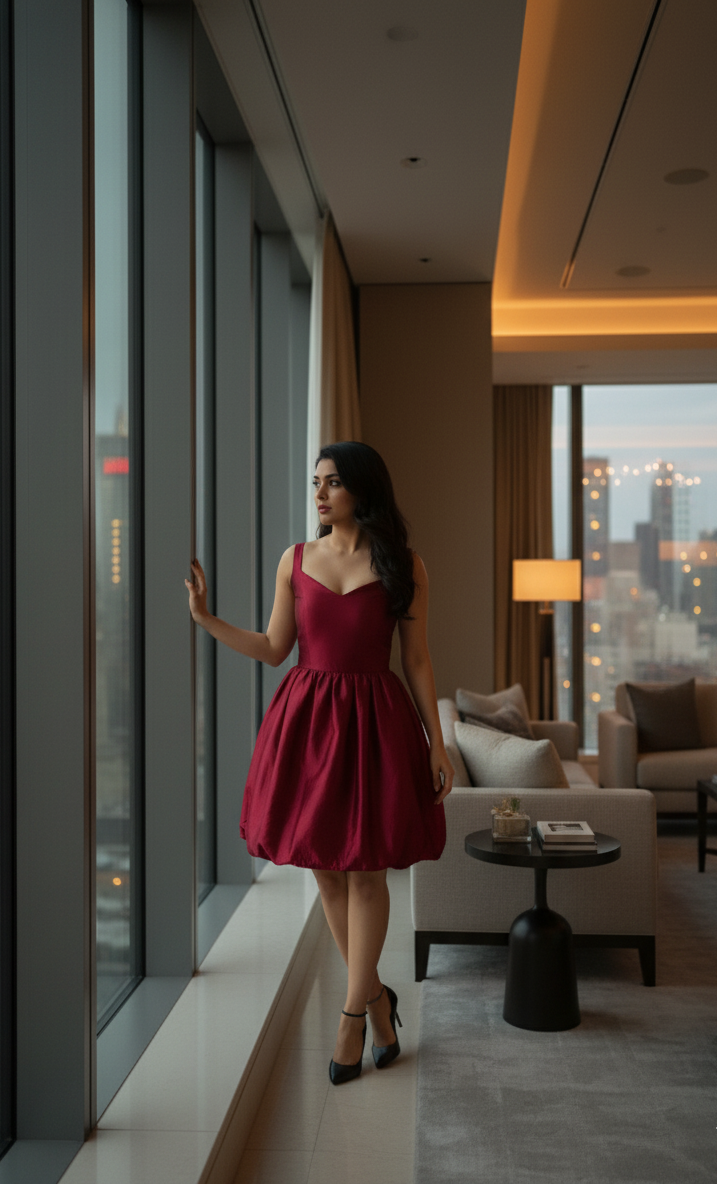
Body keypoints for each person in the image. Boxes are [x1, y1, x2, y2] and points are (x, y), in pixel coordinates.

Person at [185, 440, 453, 1085]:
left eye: (332, 482)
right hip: (307, 723)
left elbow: (416, 660)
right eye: (316, 483)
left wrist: (436, 741)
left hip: (377, 723)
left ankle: (352, 1017)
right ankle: (379, 1000)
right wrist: (207, 619)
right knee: (328, 874)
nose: (320, 493)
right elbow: (276, 647)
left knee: (367, 874)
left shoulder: (405, 564)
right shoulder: (295, 560)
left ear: (363, 488)